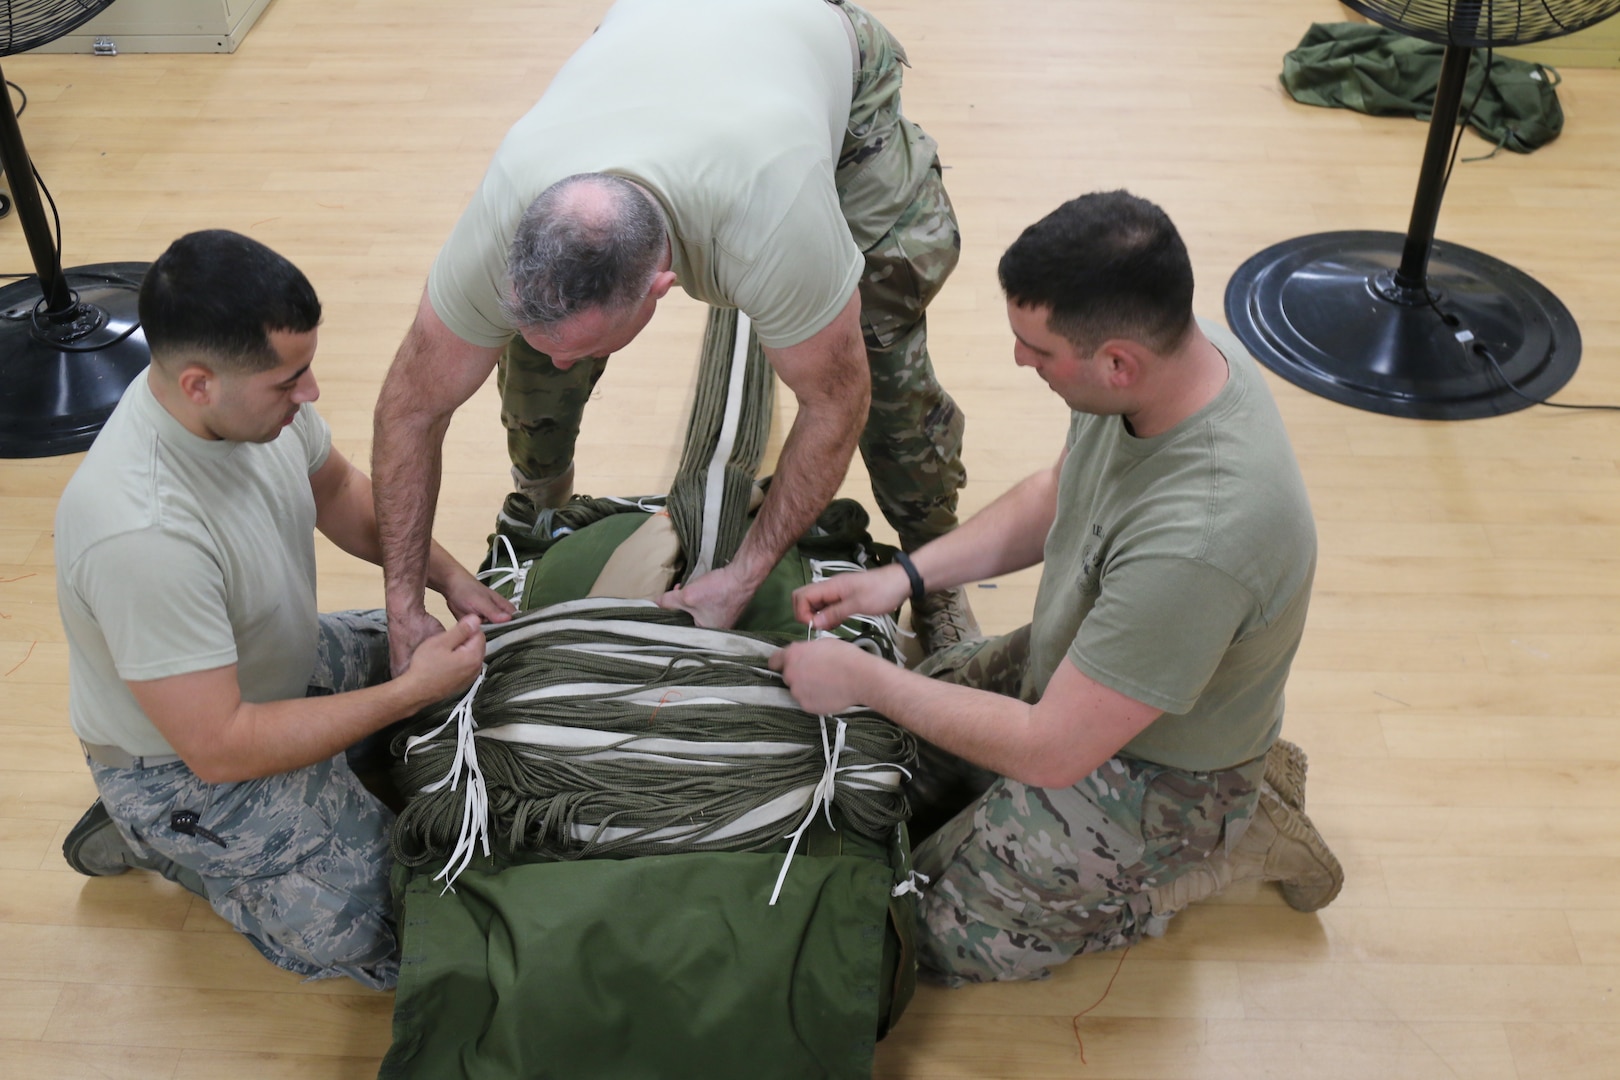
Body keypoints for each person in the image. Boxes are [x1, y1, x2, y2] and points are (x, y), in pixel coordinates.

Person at [770, 191, 1344, 985]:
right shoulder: (1168, 365)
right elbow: (1059, 493)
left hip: (1155, 773)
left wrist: (867, 676)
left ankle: (1223, 845)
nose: (1019, 361)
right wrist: (900, 578)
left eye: (1036, 350)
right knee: (893, 761)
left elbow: (1052, 748)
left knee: (913, 937)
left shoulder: (1204, 539)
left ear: (1116, 361)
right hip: (1082, 665)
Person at [372, 0, 973, 672]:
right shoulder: (505, 215)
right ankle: (542, 511)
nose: (566, 357)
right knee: (535, 358)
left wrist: (744, 576)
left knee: (879, 352)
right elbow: (410, 407)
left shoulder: (772, 218)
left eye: (589, 344)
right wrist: (402, 598)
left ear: (664, 284)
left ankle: (936, 564)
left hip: (805, 44)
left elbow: (838, 402)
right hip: (661, 31)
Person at [55, 230, 505, 990]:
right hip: (184, 767)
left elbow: (336, 490)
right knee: (402, 928)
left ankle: (290, 793)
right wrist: (406, 693)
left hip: (270, 667)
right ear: (198, 383)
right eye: (289, 380)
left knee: (470, 672)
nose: (311, 394)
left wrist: (450, 579)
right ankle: (160, 836)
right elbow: (222, 747)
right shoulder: (140, 533)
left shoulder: (240, 409)